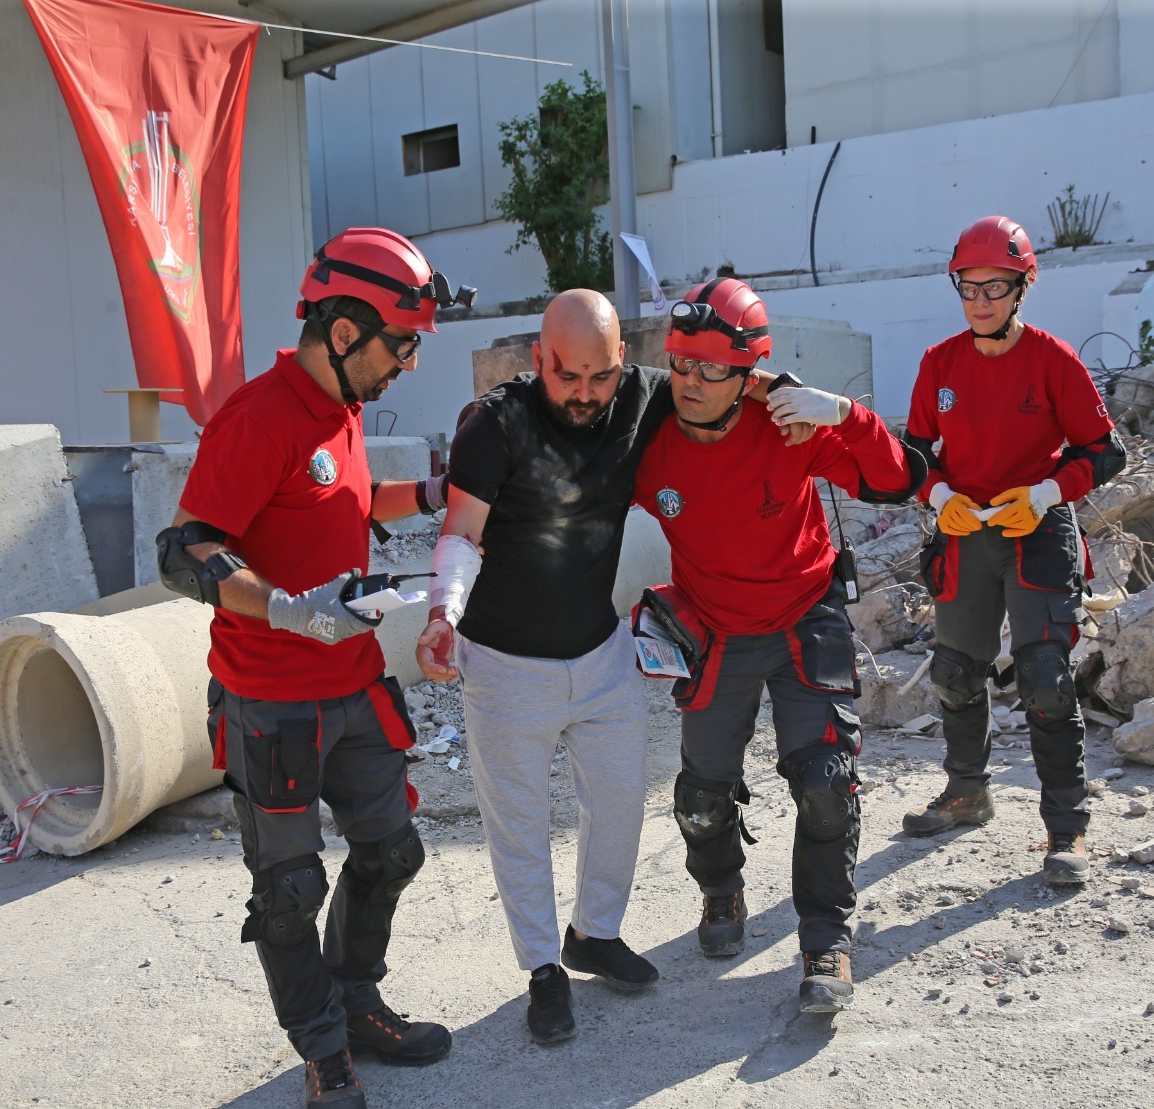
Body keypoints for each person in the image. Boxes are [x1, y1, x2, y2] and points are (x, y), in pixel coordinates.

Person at [415, 288, 803, 1045]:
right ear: (538, 360)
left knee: (623, 801)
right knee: (520, 827)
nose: (586, 394)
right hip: (503, 663)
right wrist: (441, 614)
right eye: (567, 376)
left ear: (623, 360)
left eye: (600, 375)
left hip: (599, 650)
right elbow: (461, 531)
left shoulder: (642, 397)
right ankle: (540, 971)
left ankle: (593, 933)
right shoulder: (493, 424)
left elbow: (723, 375)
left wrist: (798, 395)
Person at [158, 227, 474, 1109]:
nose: (407, 364)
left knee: (392, 851)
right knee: (290, 889)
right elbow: (187, 553)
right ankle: (323, 1047)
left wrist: (432, 495)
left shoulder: (342, 408)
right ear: (344, 332)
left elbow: (348, 499)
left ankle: (356, 999)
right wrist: (292, 608)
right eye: (401, 343)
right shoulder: (256, 417)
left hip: (355, 684)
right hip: (273, 704)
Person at [630, 277, 922, 1011]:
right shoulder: (649, 437)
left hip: (802, 616)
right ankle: (722, 890)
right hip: (715, 627)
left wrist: (846, 413)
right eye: (681, 363)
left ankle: (826, 937)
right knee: (700, 797)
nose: (692, 382)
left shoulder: (787, 420)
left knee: (826, 781)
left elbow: (898, 479)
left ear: (749, 369)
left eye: (714, 369)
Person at [900, 215, 1126, 887]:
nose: (979, 301)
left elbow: (1105, 450)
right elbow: (913, 452)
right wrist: (940, 497)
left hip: (1037, 531)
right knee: (953, 673)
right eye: (967, 287)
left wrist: (1051, 490)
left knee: (1048, 680)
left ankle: (1067, 830)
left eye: (994, 287)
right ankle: (967, 792)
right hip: (966, 532)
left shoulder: (1053, 359)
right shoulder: (939, 363)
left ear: (1024, 285)